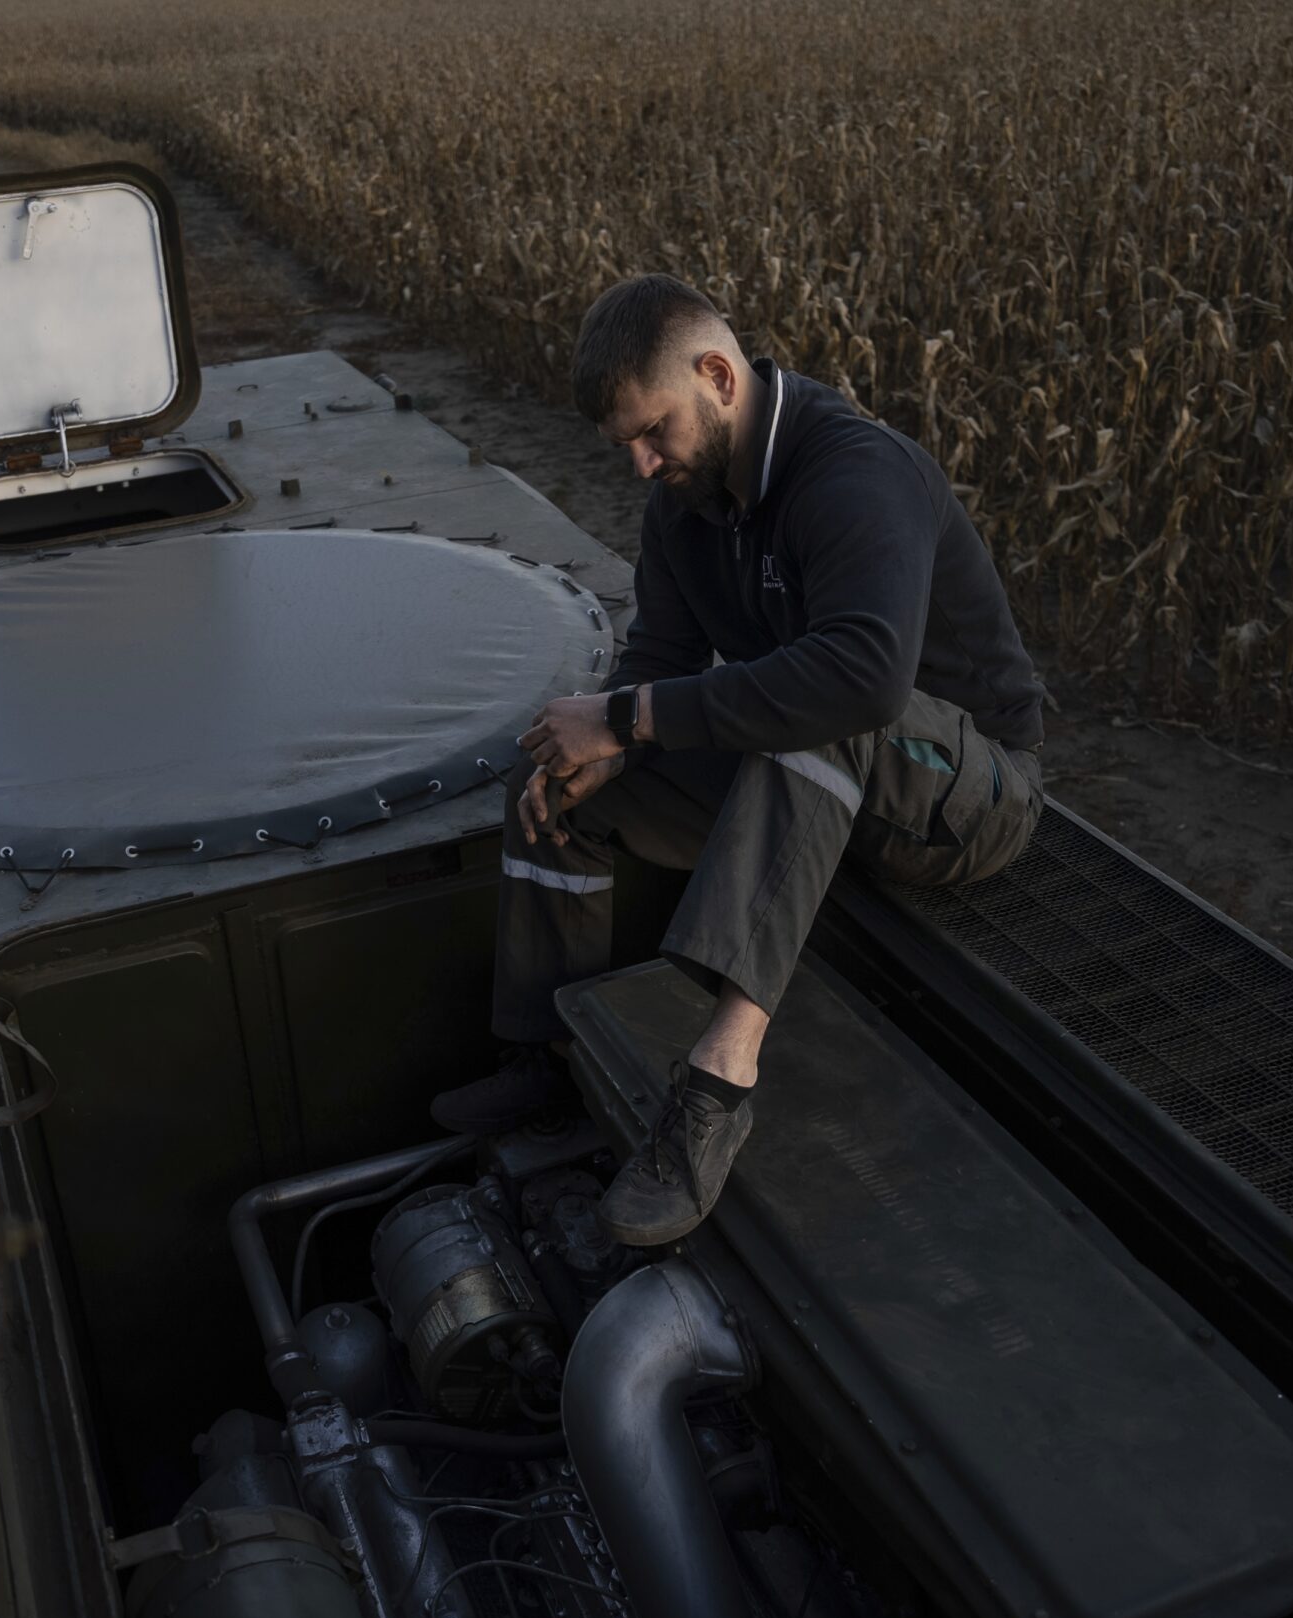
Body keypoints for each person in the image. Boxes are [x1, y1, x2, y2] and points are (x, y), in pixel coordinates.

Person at [431, 273, 1048, 1246]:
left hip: (964, 796)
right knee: (553, 769)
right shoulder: (684, 503)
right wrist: (609, 749)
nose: (639, 463)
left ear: (717, 374)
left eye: (652, 432)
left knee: (819, 702)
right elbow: (662, 659)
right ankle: (543, 1058)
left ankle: (717, 1086)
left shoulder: (852, 473)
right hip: (822, 789)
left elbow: (863, 681)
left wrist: (630, 719)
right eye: (624, 444)